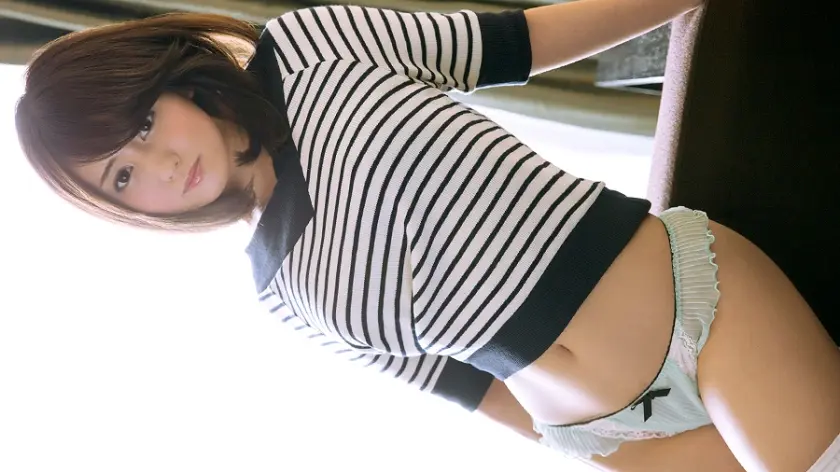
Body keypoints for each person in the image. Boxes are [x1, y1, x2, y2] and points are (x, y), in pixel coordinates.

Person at [14, 1, 840, 471]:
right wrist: (599, 455)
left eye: (144, 124)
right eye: (122, 177)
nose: (161, 167)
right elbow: (469, 389)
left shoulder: (310, 49)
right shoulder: (279, 293)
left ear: (169, 78)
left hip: (699, 313)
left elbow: (527, 41)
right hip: (608, 435)